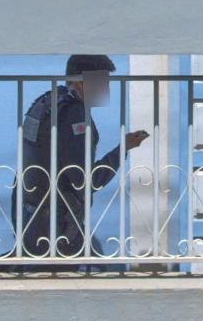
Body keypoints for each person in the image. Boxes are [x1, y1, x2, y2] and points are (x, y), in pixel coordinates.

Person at [16, 54, 150, 263]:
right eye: (101, 82)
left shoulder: (47, 102)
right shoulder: (74, 114)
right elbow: (85, 180)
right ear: (79, 81)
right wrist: (123, 149)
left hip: (29, 214)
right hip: (56, 223)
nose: (106, 89)